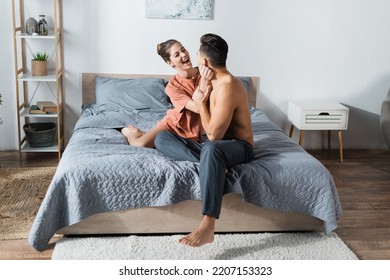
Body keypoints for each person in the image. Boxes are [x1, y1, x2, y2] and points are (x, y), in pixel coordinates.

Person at [154, 33, 255, 247]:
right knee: (162, 138)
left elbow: (213, 136)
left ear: (204, 61)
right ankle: (214, 165)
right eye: (177, 53)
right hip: (211, 144)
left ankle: (208, 224)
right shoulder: (204, 79)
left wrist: (200, 102)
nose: (189, 55)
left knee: (211, 150)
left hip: (238, 146)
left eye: (196, 53)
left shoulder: (226, 86)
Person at [121, 39, 212, 147]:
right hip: (173, 126)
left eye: (183, 50)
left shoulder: (205, 72)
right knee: (139, 145)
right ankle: (127, 131)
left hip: (194, 132)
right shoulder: (172, 87)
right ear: (170, 63)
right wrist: (205, 80)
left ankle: (145, 134)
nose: (183, 55)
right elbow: (198, 108)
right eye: (177, 55)